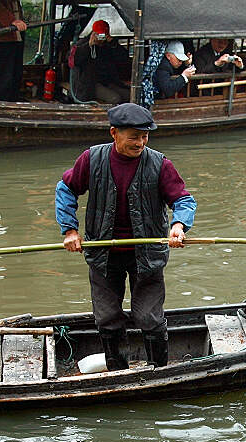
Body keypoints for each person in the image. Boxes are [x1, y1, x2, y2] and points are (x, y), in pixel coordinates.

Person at [55, 103, 197, 370]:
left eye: (145, 136)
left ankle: (159, 371)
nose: (140, 142)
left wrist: (178, 225)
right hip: (103, 254)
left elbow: (183, 199)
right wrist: (70, 230)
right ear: (114, 133)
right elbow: (66, 189)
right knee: (107, 316)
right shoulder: (92, 159)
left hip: (147, 254)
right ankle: (118, 372)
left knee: (149, 317)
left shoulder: (159, 164)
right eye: (134, 136)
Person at [70, 20, 131, 103]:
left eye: (102, 35)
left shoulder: (108, 46)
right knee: (115, 98)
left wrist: (113, 43)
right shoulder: (83, 44)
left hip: (108, 81)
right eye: (98, 34)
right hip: (90, 84)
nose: (100, 38)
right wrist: (89, 46)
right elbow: (74, 61)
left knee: (128, 95)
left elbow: (123, 59)